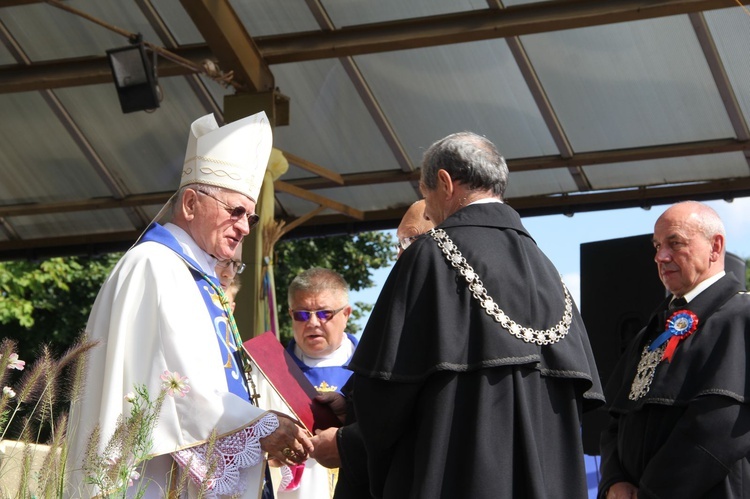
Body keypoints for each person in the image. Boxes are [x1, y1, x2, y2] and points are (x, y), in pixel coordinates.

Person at [339, 131, 604, 498]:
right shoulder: (548, 269)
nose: (427, 208)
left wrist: (344, 440)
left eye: (425, 192)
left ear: (445, 182)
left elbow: (385, 397)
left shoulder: (430, 255)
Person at [65, 112, 312, 499]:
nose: (245, 227)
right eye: (235, 211)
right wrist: (258, 426)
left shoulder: (198, 275)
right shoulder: (154, 266)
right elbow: (166, 391)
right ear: (192, 203)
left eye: (250, 215)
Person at [598, 201, 750, 499]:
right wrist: (614, 481)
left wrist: (652, 492)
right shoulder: (651, 332)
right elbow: (617, 420)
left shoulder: (742, 317)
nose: (660, 256)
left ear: (715, 247)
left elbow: (722, 427)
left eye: (675, 243)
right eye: (656, 246)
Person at [309, 199, 436, 498]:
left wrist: (347, 444)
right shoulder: (411, 304)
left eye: (409, 240)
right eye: (399, 242)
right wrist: (351, 408)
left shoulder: (440, 315)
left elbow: (431, 418)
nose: (399, 253)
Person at [250, 267, 357, 498]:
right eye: (302, 314)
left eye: (324, 313)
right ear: (290, 315)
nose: (313, 323)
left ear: (346, 314)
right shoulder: (264, 369)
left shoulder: (371, 370)